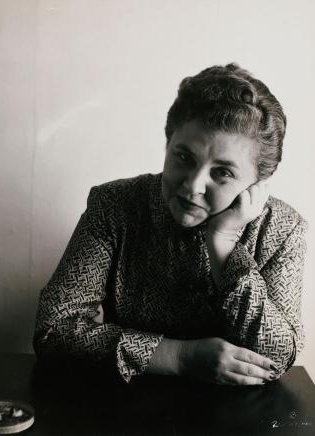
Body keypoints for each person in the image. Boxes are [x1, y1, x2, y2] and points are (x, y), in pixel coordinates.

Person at [33, 63, 307, 385]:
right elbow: (54, 329)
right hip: (125, 406)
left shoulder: (283, 229)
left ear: (257, 183)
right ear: (168, 143)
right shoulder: (115, 206)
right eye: (183, 158)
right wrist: (180, 357)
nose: (193, 186)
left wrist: (225, 245)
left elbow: (277, 359)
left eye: (223, 173)